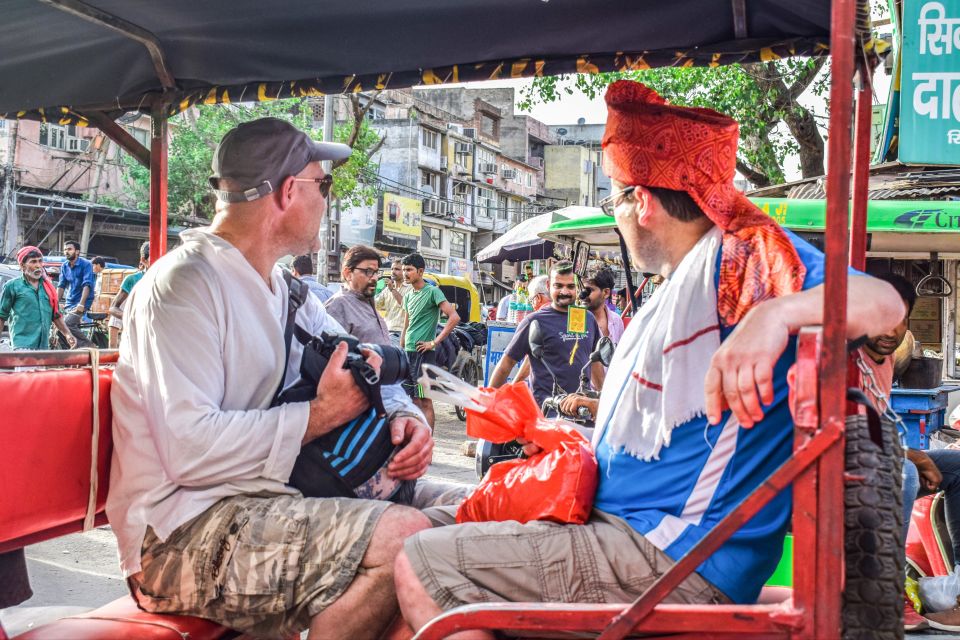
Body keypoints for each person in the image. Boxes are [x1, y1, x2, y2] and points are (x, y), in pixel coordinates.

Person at [393, 81, 904, 639]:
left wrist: (772, 318)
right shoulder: (685, 280)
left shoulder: (744, 263)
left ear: (643, 202)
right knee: (415, 525)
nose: (617, 217)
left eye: (616, 201)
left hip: (672, 554)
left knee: (422, 564)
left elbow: (885, 305)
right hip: (629, 529)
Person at [106, 117, 436, 640]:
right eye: (322, 186)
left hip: (269, 500)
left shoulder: (285, 290)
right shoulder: (183, 287)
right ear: (288, 192)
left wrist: (404, 416)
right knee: (402, 537)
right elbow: (189, 448)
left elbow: (366, 359)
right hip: (178, 533)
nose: (327, 200)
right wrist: (319, 415)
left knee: (463, 514)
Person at [856, 272, 960, 632]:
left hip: (868, 455)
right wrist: (913, 456)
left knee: (958, 466)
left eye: (900, 321)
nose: (890, 331)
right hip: (824, 461)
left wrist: (909, 452)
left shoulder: (883, 364)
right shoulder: (840, 359)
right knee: (903, 474)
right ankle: (885, 593)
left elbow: (879, 428)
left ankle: (959, 595)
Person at [489, 261, 604, 415]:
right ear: (549, 285)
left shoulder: (588, 319)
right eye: (558, 286)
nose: (565, 291)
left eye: (570, 286)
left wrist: (604, 404)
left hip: (581, 413)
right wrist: (489, 403)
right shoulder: (534, 321)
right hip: (546, 412)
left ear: (578, 287)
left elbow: (595, 362)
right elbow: (506, 364)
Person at [400, 253, 460, 429]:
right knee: (411, 400)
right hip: (408, 353)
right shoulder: (408, 295)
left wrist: (433, 342)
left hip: (423, 355)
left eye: (409, 270)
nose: (405, 273)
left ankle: (427, 443)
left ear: (420, 271)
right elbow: (407, 323)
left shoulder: (433, 292)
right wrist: (401, 345)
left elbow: (454, 317)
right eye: (404, 270)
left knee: (425, 401)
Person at [0, 246, 76, 349]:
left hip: (43, 346)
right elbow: (2, 316)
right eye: (33, 262)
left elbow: (56, 315)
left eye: (40, 261)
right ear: (22, 265)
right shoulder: (12, 286)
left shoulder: (48, 288)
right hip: (22, 345)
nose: (38, 266)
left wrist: (68, 334)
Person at [325, 245, 391, 344]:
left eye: (376, 272)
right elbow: (330, 353)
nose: (375, 278)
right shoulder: (338, 305)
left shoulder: (367, 301)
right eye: (368, 271)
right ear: (348, 273)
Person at [107, 242, 150, 348]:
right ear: (143, 260)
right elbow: (113, 308)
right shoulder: (132, 280)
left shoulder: (167, 280)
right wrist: (131, 317)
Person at [56, 240, 96, 348]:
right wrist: (54, 303)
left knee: (67, 323)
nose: (66, 252)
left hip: (83, 301)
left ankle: (89, 345)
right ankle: (73, 351)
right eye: (65, 249)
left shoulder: (86, 264)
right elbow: (61, 286)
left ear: (77, 251)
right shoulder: (64, 266)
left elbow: (87, 285)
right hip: (70, 301)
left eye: (69, 249)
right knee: (57, 326)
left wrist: (81, 304)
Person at [583, 266, 625, 345]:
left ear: (606, 292)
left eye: (589, 290)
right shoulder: (574, 320)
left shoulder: (616, 321)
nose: (582, 294)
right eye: (580, 289)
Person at [376, 258, 411, 344]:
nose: (393, 272)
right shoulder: (387, 289)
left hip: (401, 333)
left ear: (404, 272)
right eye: (392, 269)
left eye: (397, 269)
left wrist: (392, 289)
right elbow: (376, 305)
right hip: (386, 331)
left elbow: (405, 305)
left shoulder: (411, 288)